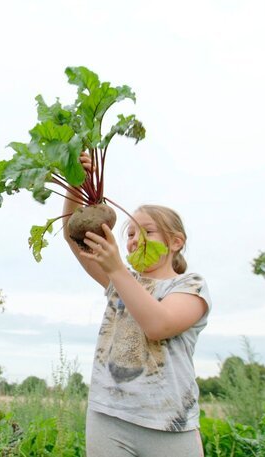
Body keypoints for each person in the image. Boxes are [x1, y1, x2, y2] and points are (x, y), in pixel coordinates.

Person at [62, 158, 211, 457]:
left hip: (168, 424)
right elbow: (72, 234)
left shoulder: (190, 286)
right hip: (108, 417)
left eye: (147, 232)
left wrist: (116, 270)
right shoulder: (120, 278)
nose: (134, 240)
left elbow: (158, 326)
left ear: (176, 242)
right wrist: (76, 182)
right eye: (129, 234)